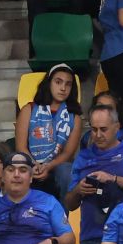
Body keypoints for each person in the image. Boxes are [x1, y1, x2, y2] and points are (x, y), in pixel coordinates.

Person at [63, 103, 123, 244]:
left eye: (103, 129)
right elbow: (70, 205)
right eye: (93, 129)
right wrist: (78, 190)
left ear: (117, 127)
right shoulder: (83, 157)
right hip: (92, 238)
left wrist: (114, 179)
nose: (98, 135)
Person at [18, 64, 83, 198]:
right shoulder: (28, 110)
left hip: (57, 166)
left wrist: (48, 166)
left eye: (68, 84)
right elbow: (21, 147)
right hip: (30, 162)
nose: (63, 88)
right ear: (49, 83)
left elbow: (68, 154)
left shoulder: (75, 118)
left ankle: (62, 217)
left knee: (67, 170)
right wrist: (34, 164)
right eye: (58, 82)